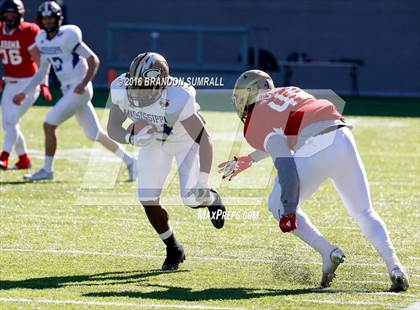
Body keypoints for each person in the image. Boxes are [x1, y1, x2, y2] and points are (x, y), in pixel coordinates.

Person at [219, 69, 409, 291]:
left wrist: (288, 209)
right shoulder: (290, 91)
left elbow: (285, 162)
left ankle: (327, 251)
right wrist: (251, 158)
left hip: (317, 145)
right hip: (342, 136)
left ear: (247, 94)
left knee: (276, 204)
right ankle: (395, 267)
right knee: (364, 211)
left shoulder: (255, 119)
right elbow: (290, 130)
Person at [107, 52, 225, 271]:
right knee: (147, 198)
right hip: (153, 143)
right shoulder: (122, 89)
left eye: (145, 87)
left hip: (184, 142)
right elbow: (113, 126)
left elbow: (204, 138)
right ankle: (173, 248)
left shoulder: (179, 96)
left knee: (191, 199)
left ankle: (212, 198)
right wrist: (130, 138)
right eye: (137, 85)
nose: (139, 93)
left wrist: (203, 179)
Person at [13, 1, 136, 181]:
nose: (47, 22)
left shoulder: (68, 36)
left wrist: (84, 82)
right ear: (40, 20)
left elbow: (93, 59)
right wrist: (24, 91)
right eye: (45, 19)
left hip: (79, 89)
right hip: (68, 90)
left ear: (58, 19)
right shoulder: (41, 39)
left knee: (49, 124)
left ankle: (47, 170)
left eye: (51, 18)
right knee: (95, 134)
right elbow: (42, 72)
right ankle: (132, 162)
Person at [0, 0, 52, 170]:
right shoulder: (1, 30)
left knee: (12, 119)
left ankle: (4, 157)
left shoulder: (29, 31)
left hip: (29, 83)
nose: (8, 18)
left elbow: (41, 61)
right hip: (10, 82)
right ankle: (24, 160)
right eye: (6, 15)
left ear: (20, 15)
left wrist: (44, 83)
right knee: (8, 124)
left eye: (12, 15)